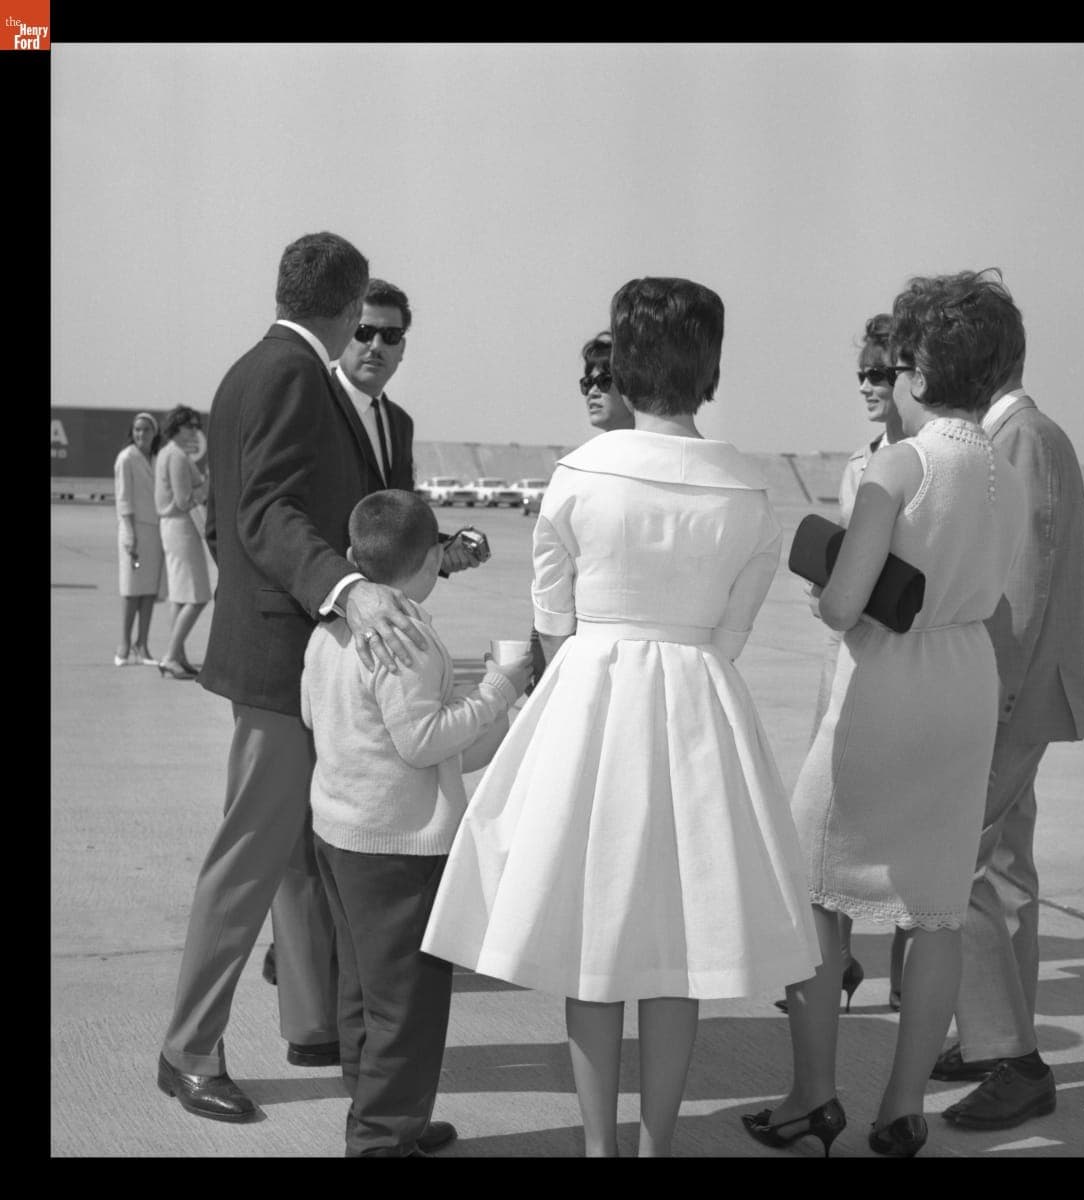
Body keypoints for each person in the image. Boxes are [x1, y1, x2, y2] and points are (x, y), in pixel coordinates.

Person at [423, 277, 821, 1157]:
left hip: (591, 704)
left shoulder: (575, 477)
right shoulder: (750, 492)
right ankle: (657, 1146)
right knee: (682, 944)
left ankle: (599, 1146)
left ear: (627, 366)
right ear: (710, 368)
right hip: (699, 707)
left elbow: (553, 627)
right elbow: (729, 632)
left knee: (594, 942)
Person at [158, 231, 440, 1129]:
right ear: (349, 303)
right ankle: (188, 1050)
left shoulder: (259, 368)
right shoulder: (289, 374)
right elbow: (265, 511)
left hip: (286, 652)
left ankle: (313, 1028)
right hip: (284, 661)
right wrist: (347, 590)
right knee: (251, 857)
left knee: (295, 859)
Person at [743, 269, 1027, 1158]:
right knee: (936, 906)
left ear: (917, 364)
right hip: (965, 680)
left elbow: (844, 603)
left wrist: (827, 580)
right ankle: (903, 1108)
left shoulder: (900, 464)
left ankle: (813, 1093)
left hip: (888, 685)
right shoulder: (1004, 472)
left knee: (813, 890)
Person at [260, 276, 482, 988]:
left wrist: (443, 552)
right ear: (344, 331)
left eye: (392, 335)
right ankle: (300, 967)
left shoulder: (400, 423)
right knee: (300, 827)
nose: (377, 346)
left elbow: (392, 528)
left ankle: (335, 969)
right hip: (316, 631)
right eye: (365, 331)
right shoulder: (308, 405)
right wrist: (336, 599)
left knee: (351, 818)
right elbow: (266, 516)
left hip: (379, 644)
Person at [302, 489, 530, 1157]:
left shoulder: (332, 627)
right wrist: (500, 687)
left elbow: (319, 718)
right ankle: (382, 1137)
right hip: (397, 849)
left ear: (352, 560)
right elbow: (424, 742)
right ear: (433, 557)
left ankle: (382, 1105)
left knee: (363, 991)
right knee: (408, 1005)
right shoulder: (407, 638)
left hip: (339, 832)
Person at [931, 317, 1084, 1131]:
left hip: (1003, 702)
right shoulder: (1027, 435)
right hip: (1024, 696)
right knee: (1003, 878)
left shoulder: (1023, 439)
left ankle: (1014, 1058)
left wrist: (1007, 690)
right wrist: (1057, 664)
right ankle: (993, 1038)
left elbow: (1030, 585)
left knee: (953, 872)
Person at [773, 315, 909, 1017]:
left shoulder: (919, 462)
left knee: (911, 822)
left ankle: (910, 979)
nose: (867, 385)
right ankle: (839, 960)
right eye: (861, 372)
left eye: (880, 373)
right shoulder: (860, 463)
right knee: (826, 821)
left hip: (903, 658)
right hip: (845, 657)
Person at [528, 330, 636, 686]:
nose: (592, 390)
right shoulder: (577, 472)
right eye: (586, 382)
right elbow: (552, 591)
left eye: (605, 380)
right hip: (571, 647)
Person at [154, 405, 212, 680]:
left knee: (180, 596)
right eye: (190, 425)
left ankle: (177, 655)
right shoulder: (176, 456)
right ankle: (170, 655)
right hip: (180, 527)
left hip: (174, 527)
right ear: (177, 426)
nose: (194, 431)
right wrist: (207, 485)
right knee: (198, 596)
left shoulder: (169, 453)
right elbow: (184, 500)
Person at [113, 412, 164, 666]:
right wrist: (130, 534)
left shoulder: (156, 459)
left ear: (154, 433)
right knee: (131, 591)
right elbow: (123, 499)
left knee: (148, 592)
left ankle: (142, 645)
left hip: (155, 531)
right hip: (132, 530)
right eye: (137, 430)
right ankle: (123, 645)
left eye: (145, 429)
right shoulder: (126, 458)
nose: (140, 434)